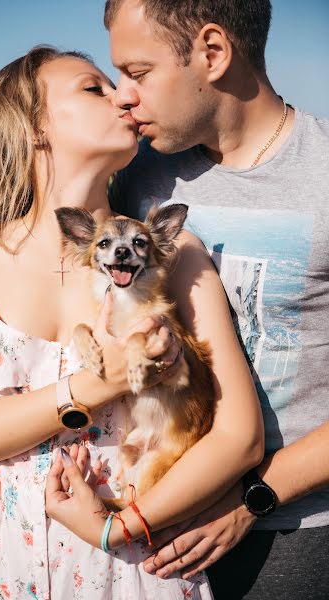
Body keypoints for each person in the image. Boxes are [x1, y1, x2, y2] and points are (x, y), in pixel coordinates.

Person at [0, 45, 263, 599]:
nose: (124, 95)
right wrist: (96, 383)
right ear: (32, 125)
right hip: (10, 551)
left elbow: (238, 436)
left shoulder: (174, 254)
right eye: (95, 88)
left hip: (141, 553)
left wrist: (118, 527)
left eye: (121, 84)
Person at [96, 0, 329, 599]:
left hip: (290, 533)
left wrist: (256, 495)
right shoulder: (138, 174)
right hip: (144, 515)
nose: (122, 95)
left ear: (214, 51)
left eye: (138, 72)